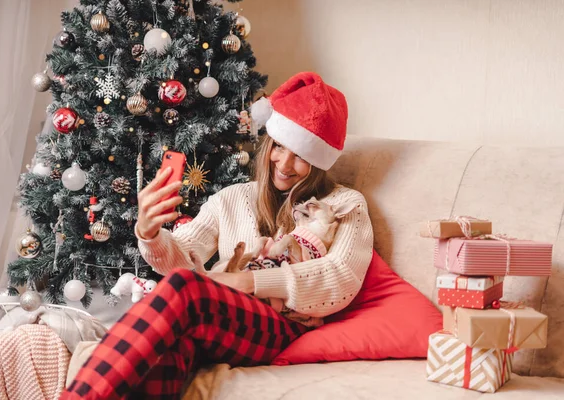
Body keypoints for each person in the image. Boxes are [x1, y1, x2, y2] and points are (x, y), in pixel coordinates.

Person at [62, 71, 374, 399]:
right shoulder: (235, 197)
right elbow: (180, 255)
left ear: (320, 162)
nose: (284, 163)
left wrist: (248, 283)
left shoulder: (343, 203)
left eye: (302, 156)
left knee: (187, 288)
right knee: (165, 351)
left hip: (284, 327)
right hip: (226, 321)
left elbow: (341, 278)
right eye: (279, 147)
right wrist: (149, 231)